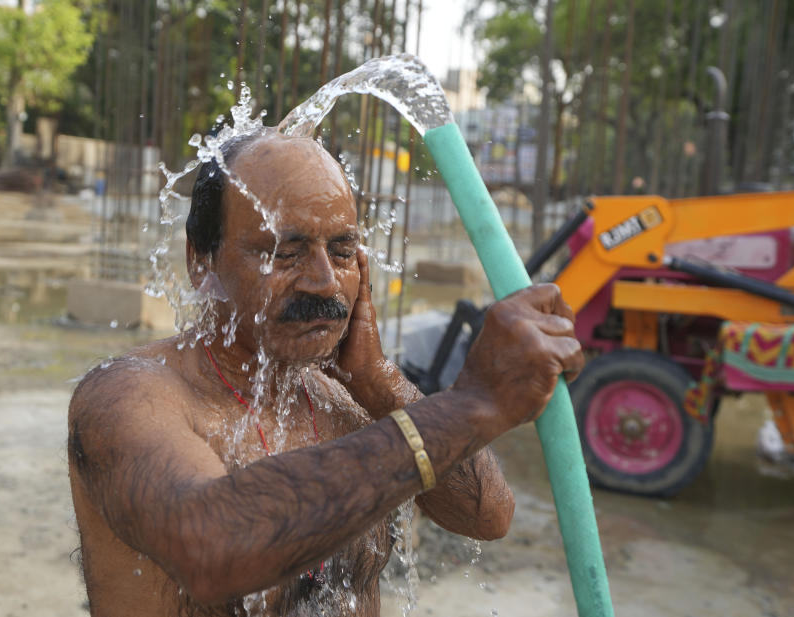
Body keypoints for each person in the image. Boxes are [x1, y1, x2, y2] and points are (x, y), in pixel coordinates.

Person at [67, 129, 584, 617]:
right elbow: (212, 548)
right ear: (201, 262)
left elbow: (487, 515)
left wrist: (379, 380)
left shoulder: (353, 399)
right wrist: (472, 405)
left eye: (342, 253)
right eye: (284, 253)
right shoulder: (131, 396)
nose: (323, 282)